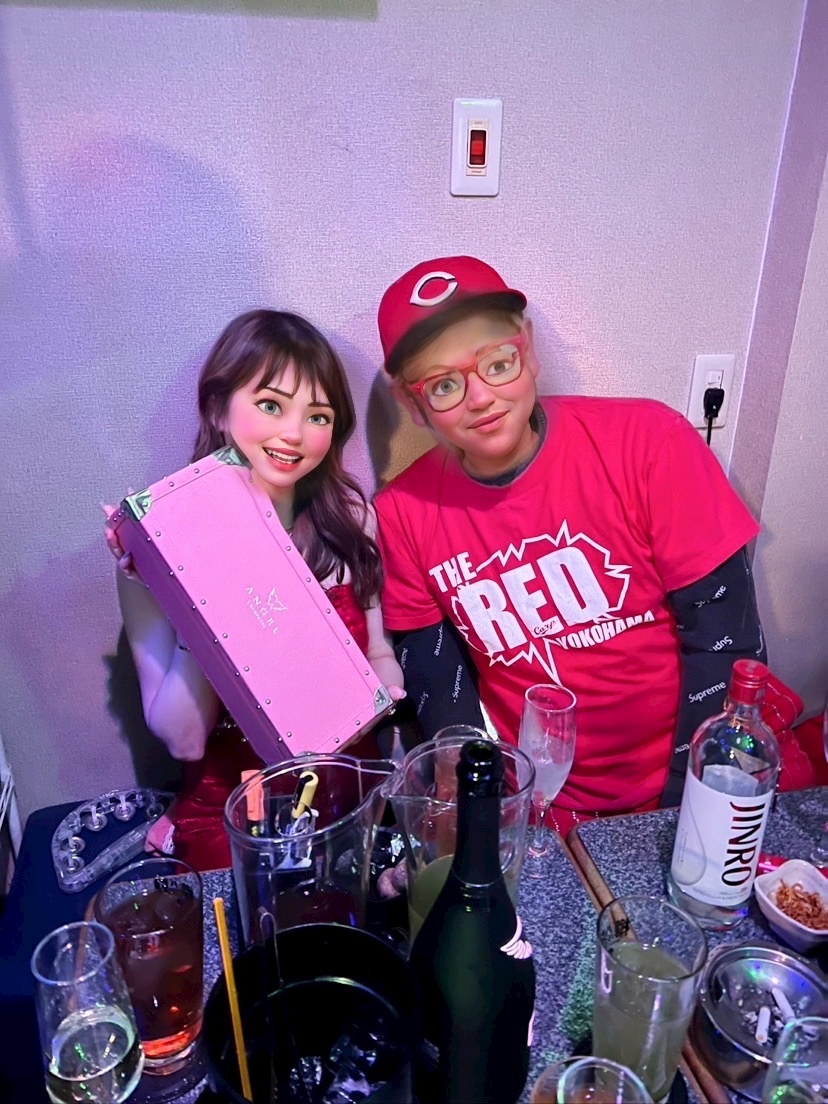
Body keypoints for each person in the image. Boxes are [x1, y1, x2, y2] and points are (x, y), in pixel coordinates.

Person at [372, 256, 768, 833]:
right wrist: (489, 808)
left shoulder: (650, 443)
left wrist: (680, 815)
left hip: (686, 783)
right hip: (535, 801)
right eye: (444, 385)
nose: (480, 398)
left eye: (498, 363)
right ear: (412, 404)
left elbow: (726, 643)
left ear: (528, 350)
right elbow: (436, 676)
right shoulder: (402, 511)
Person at [105, 309, 404, 870]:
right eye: (271, 405)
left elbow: (378, 652)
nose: (294, 433)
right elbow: (185, 741)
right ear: (218, 408)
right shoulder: (152, 549)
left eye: (317, 415)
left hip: (348, 794)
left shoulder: (350, 519)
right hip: (235, 811)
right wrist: (196, 593)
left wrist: (385, 689)